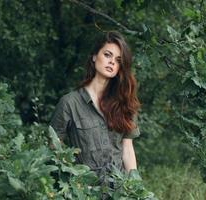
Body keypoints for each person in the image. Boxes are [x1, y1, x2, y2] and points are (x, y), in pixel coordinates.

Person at [50, 31, 141, 183]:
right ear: (94, 56)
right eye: (107, 55)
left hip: (118, 192)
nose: (112, 62)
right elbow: (54, 149)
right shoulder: (69, 103)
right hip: (85, 191)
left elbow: (127, 150)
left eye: (118, 60)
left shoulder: (124, 102)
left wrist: (135, 188)